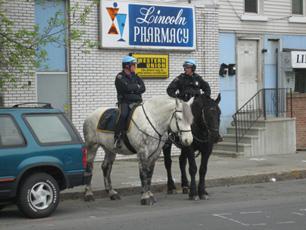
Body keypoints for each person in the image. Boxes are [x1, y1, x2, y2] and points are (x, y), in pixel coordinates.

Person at [114, 56, 146, 149]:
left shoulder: (137, 76)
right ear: (127, 66)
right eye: (134, 65)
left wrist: (131, 88)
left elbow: (143, 88)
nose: (135, 67)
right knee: (123, 114)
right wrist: (136, 87)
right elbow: (126, 88)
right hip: (125, 102)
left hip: (137, 102)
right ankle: (116, 137)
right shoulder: (119, 77)